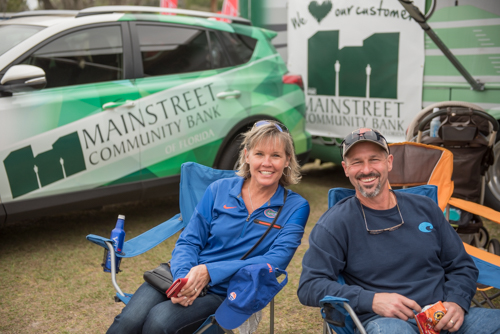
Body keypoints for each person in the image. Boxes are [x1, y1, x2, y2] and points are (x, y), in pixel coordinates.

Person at [108, 120, 310, 334]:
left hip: (225, 290)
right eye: (259, 154)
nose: (266, 163)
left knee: (158, 322)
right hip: (181, 274)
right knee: (127, 322)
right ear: (247, 155)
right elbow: (190, 240)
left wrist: (210, 272)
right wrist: (183, 278)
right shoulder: (219, 189)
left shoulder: (296, 207)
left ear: (288, 160)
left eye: (276, 155)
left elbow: (275, 262)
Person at [297, 128, 500, 334]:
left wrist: (457, 302)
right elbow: (310, 286)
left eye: (374, 159)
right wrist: (372, 300)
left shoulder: (425, 208)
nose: (366, 169)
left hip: (442, 317)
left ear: (389, 162)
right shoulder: (336, 222)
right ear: (346, 169)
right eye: (357, 162)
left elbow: (461, 266)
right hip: (386, 323)